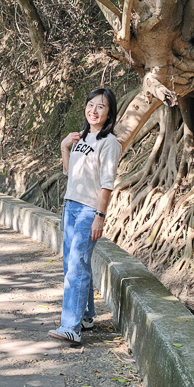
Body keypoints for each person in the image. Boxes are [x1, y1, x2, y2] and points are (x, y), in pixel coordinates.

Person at [48, 88, 122, 346]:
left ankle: (71, 327)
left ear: (109, 112)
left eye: (101, 106)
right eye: (91, 105)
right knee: (73, 265)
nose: (94, 110)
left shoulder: (109, 142)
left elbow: (107, 184)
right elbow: (71, 174)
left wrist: (100, 216)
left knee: (76, 267)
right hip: (71, 207)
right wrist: (64, 148)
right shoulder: (81, 138)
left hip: (89, 210)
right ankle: (87, 316)